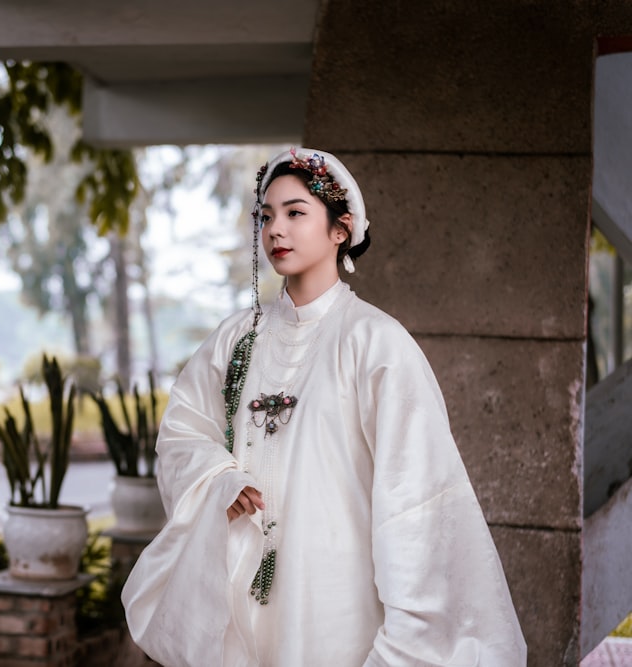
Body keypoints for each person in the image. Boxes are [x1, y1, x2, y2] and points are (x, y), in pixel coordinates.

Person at [121, 148, 526, 666]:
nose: (275, 230)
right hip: (241, 583)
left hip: (335, 593)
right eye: (266, 216)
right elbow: (182, 432)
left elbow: (418, 494)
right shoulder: (235, 340)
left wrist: (407, 628)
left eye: (295, 213)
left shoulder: (376, 342)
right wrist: (219, 478)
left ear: (341, 229)